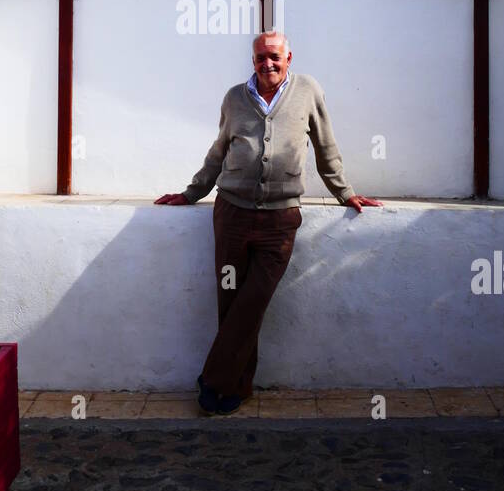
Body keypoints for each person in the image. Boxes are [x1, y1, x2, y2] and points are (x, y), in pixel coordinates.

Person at [155, 30, 381, 415]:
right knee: (230, 300)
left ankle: (212, 380)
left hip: (280, 221)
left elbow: (326, 148)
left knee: (253, 300)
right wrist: (191, 193)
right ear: (253, 61)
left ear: (289, 58)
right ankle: (237, 388)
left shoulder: (307, 91)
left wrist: (345, 192)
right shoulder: (234, 98)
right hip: (231, 215)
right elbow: (218, 153)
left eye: (275, 56)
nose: (268, 64)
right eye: (260, 58)